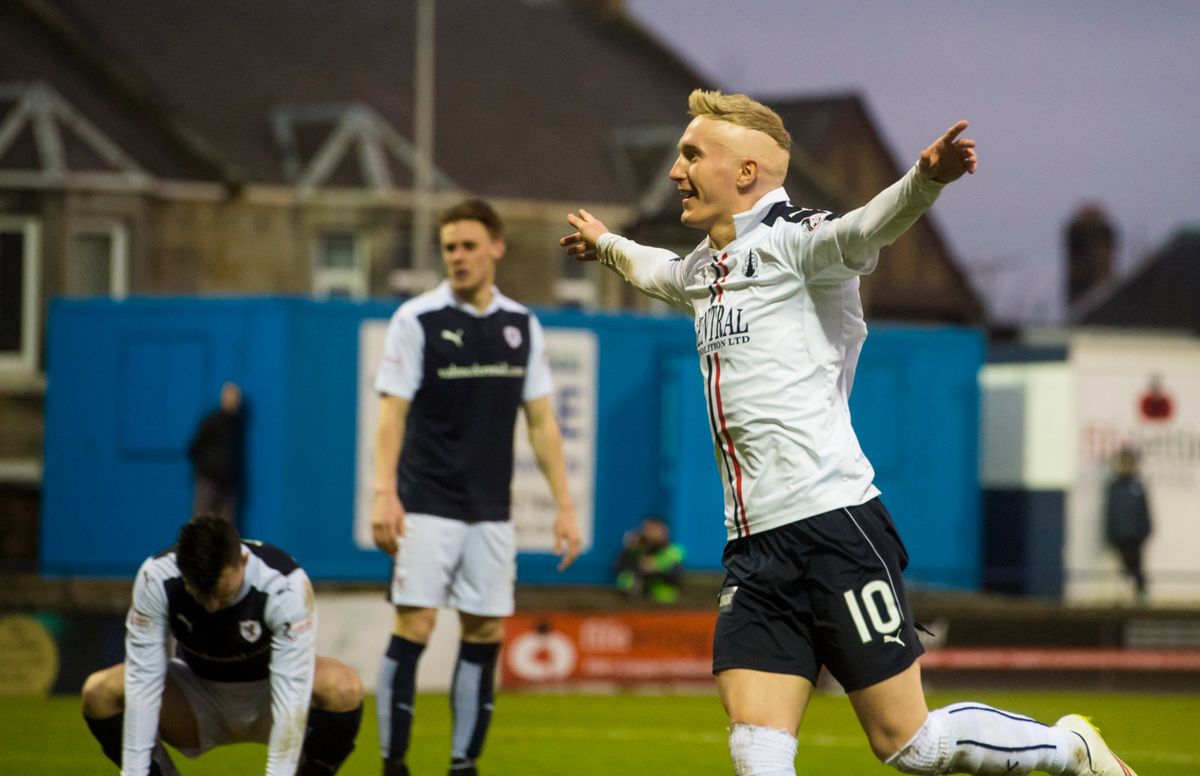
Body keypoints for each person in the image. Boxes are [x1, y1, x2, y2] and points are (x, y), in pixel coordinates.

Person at [561, 89, 1136, 776]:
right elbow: (655, 270)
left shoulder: (796, 242)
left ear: (746, 172)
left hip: (833, 526)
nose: (677, 170)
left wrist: (925, 181)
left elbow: (863, 230)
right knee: (756, 743)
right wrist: (606, 246)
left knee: (911, 746)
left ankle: (1069, 749)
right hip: (753, 549)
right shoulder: (703, 270)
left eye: (691, 154)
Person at [371, 198, 582, 776]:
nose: (458, 257)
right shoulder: (417, 319)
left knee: (484, 630)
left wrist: (565, 506)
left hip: (492, 511)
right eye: (449, 248)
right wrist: (384, 492)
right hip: (427, 504)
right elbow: (391, 415)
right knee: (414, 624)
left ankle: (463, 764)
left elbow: (541, 422)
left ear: (496, 247)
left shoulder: (520, 325)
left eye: (468, 245)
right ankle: (394, 763)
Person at [81, 514, 364, 775]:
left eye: (222, 594)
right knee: (99, 692)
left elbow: (292, 695)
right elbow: (143, 681)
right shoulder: (156, 578)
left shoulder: (285, 585)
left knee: (343, 687)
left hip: (270, 694)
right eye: (200, 596)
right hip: (196, 699)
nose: (213, 607)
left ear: (242, 562)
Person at [187, 381, 246, 526]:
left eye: (236, 398)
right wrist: (208, 467)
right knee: (201, 522)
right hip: (208, 479)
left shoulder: (236, 425)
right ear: (223, 398)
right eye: (231, 397)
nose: (234, 402)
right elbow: (194, 447)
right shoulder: (212, 421)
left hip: (227, 482)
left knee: (226, 524)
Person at [1104, 445, 1152, 601]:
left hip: (1135, 536)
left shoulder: (1138, 486)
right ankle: (1130, 592)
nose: (1125, 465)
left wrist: (1145, 531)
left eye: (1129, 462)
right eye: (1123, 462)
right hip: (1120, 535)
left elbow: (1144, 511)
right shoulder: (1114, 486)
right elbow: (1110, 512)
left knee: (1135, 566)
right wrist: (1111, 533)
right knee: (1125, 568)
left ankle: (1140, 591)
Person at [614, 516, 685, 603]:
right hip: (638, 595)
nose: (651, 533)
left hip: (662, 595)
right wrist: (630, 550)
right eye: (648, 529)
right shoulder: (637, 548)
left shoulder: (673, 551)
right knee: (627, 580)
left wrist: (655, 569)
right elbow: (618, 566)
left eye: (655, 530)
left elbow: (676, 575)